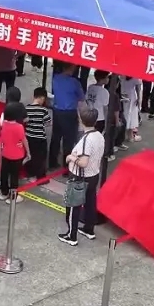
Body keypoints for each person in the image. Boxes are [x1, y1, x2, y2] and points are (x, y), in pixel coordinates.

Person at [59, 105, 105, 246]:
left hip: (80, 177)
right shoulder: (99, 136)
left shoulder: (86, 139)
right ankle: (89, 229)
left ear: (81, 120)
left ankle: (71, 235)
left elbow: (83, 162)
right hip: (94, 174)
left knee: (73, 206)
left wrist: (71, 158)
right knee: (90, 203)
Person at [49, 62, 84, 171]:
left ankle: (52, 162)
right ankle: (66, 166)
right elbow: (81, 98)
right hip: (69, 113)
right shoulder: (75, 82)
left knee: (56, 137)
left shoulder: (55, 78)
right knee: (69, 140)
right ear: (72, 68)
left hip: (57, 111)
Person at [0, 101, 28, 202]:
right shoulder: (19, 127)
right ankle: (13, 197)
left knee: (4, 174)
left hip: (5, 154)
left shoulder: (4, 125)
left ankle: (4, 193)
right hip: (17, 156)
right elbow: (24, 140)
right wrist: (28, 153)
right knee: (14, 176)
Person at [25, 87, 52, 179]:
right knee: (41, 157)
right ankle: (40, 177)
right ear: (42, 98)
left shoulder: (27, 108)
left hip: (29, 137)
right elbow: (48, 123)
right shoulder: (43, 110)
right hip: (40, 138)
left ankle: (30, 173)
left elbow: (25, 120)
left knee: (30, 155)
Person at [120, 76, 142, 142]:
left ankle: (123, 135)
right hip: (131, 95)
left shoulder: (121, 75)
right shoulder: (136, 76)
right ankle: (130, 136)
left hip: (122, 94)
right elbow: (138, 89)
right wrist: (139, 99)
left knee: (123, 114)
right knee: (131, 115)